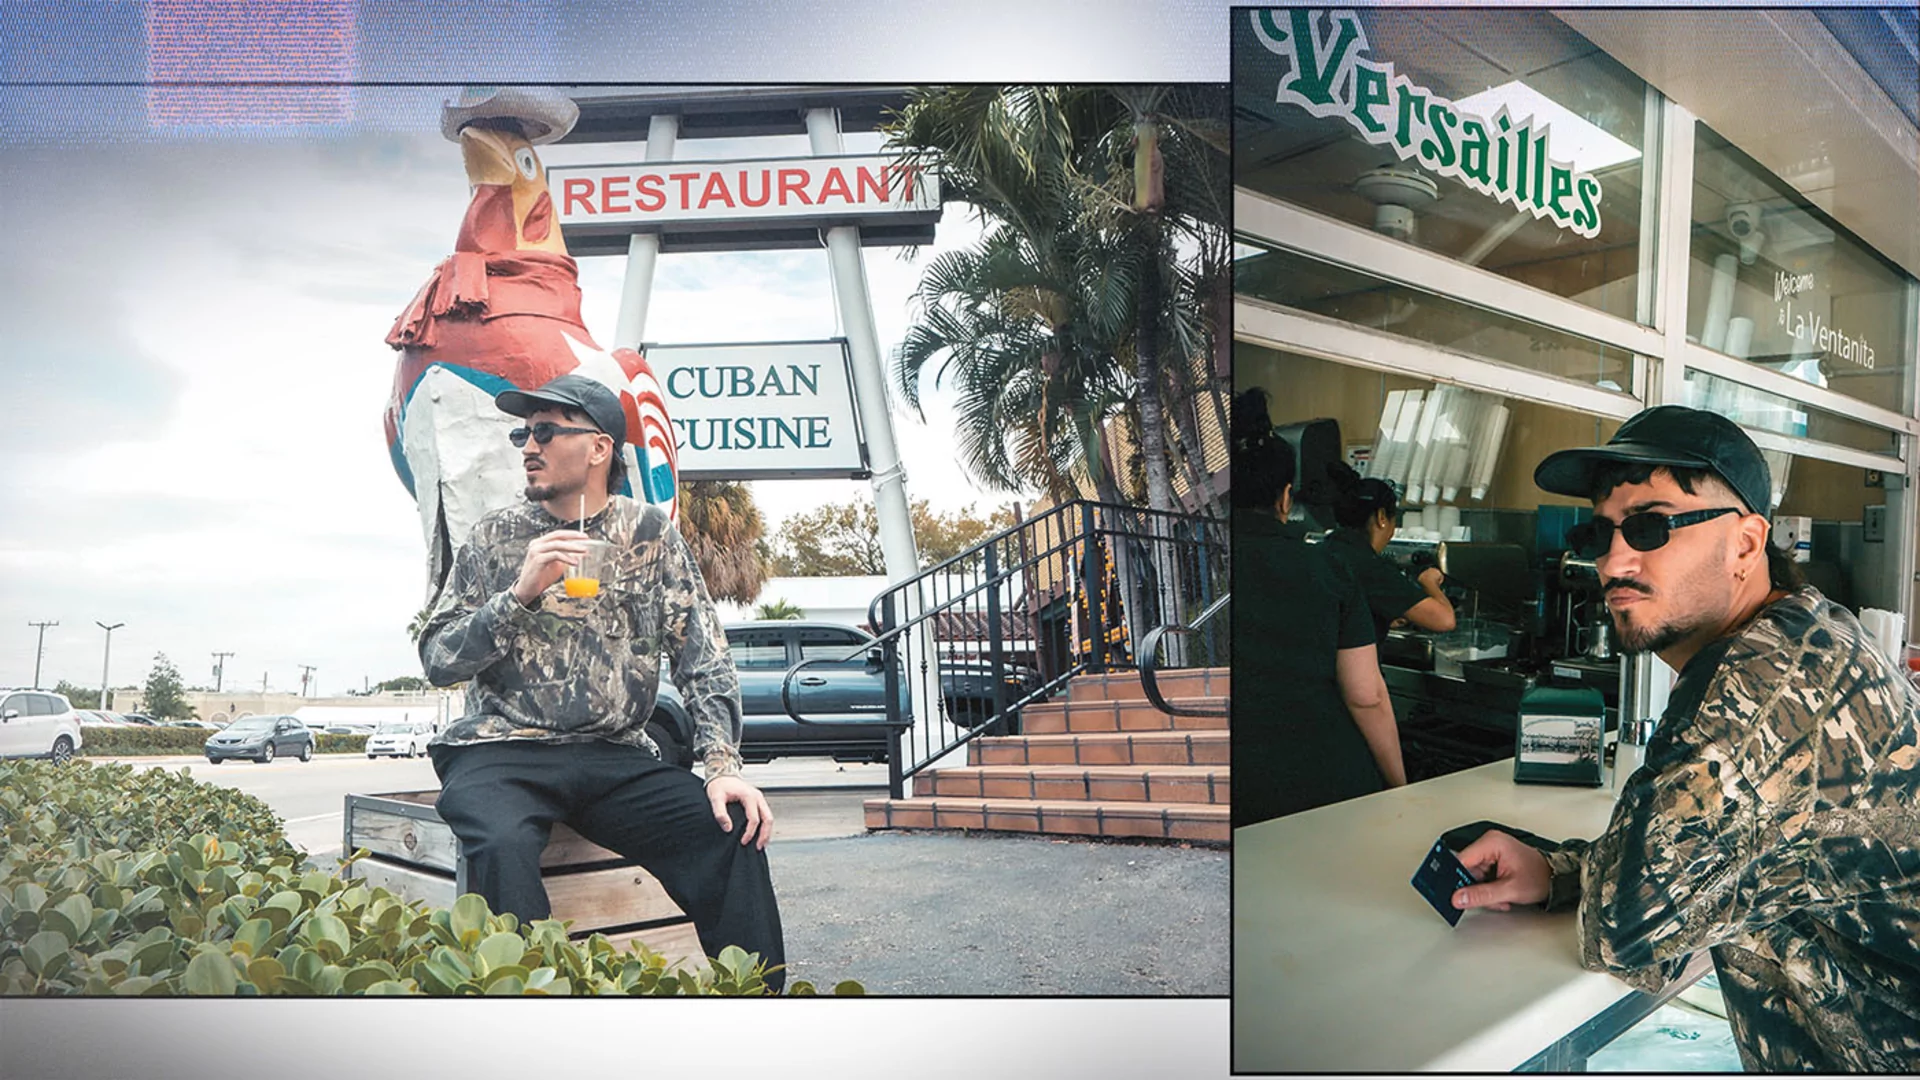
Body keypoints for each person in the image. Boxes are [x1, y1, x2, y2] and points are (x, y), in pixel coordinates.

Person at [1446, 405, 1920, 1071]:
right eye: (1600, 533)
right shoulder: (1810, 630)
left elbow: (1625, 929)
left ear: (1748, 545)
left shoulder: (1752, 689)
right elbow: (1713, 871)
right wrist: (1561, 871)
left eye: (1650, 527)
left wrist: (1584, 880)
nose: (1612, 562)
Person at [418, 373, 785, 986]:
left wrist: (723, 767)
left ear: (598, 447)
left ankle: (759, 1013)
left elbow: (704, 656)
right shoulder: (493, 537)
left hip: (615, 757)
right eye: (522, 433)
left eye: (544, 432)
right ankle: (533, 1017)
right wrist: (518, 595)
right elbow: (437, 658)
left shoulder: (649, 534)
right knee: (502, 844)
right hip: (502, 753)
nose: (528, 447)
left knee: (731, 832)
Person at [1233, 389, 1405, 826]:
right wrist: (1400, 786)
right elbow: (1366, 696)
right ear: (1285, 497)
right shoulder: (1328, 567)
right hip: (1328, 786)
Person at [1318, 461, 1456, 644]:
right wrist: (1429, 582)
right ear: (1382, 517)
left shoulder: (1323, 551)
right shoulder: (1370, 568)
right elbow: (1444, 620)